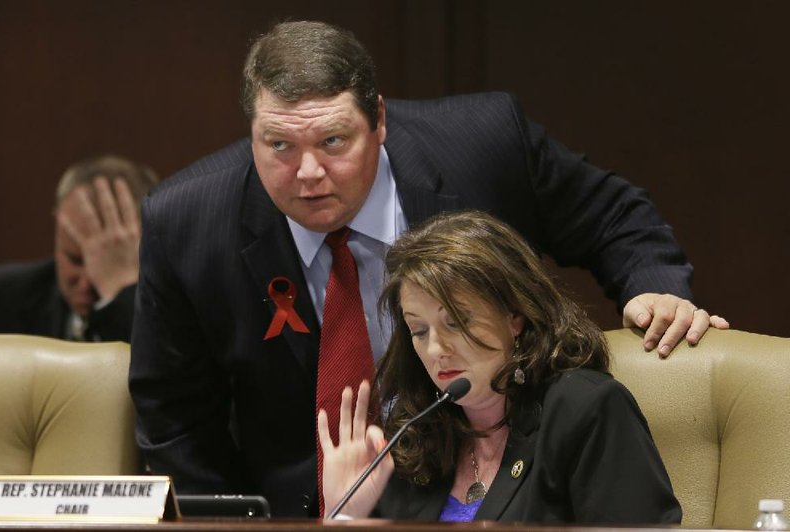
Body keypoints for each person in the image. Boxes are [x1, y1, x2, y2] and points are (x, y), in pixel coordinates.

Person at [128, 20, 725, 517]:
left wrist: (655, 290)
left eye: (334, 142)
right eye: (278, 146)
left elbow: (611, 214)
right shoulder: (188, 223)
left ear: (379, 122)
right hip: (300, 509)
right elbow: (175, 424)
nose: (307, 172)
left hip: (497, 485)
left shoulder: (483, 143)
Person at [318, 210, 682, 523]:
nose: (435, 349)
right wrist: (346, 516)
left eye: (456, 322)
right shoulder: (417, 433)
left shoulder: (585, 411)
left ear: (516, 316)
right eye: (418, 330)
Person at [0, 154, 158, 342]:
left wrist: (121, 294)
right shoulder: (0, 299)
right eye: (75, 260)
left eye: (107, 263)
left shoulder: (182, 311)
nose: (86, 282)